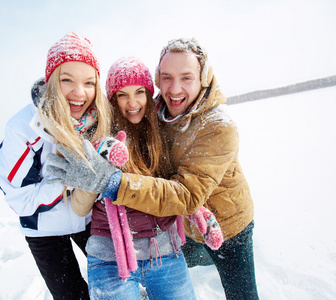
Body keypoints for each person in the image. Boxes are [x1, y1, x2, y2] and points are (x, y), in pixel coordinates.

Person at [48, 38, 259, 299]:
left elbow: (187, 195)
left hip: (227, 223)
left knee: (242, 294)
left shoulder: (217, 127)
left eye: (186, 78)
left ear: (203, 78)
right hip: (154, 233)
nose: (175, 88)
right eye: (167, 78)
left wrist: (111, 182)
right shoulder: (158, 114)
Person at [51, 56, 197, 299]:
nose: (132, 103)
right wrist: (95, 178)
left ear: (149, 95)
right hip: (111, 258)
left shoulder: (164, 133)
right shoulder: (97, 136)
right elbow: (78, 209)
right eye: (122, 95)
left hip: (164, 252)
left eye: (139, 92)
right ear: (111, 99)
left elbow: (182, 189)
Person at [0, 32, 112, 300]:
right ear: (51, 81)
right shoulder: (23, 128)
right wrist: (68, 180)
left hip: (90, 218)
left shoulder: (98, 120)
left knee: (112, 286)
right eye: (67, 79)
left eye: (89, 82)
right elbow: (20, 200)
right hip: (43, 230)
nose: (79, 94)